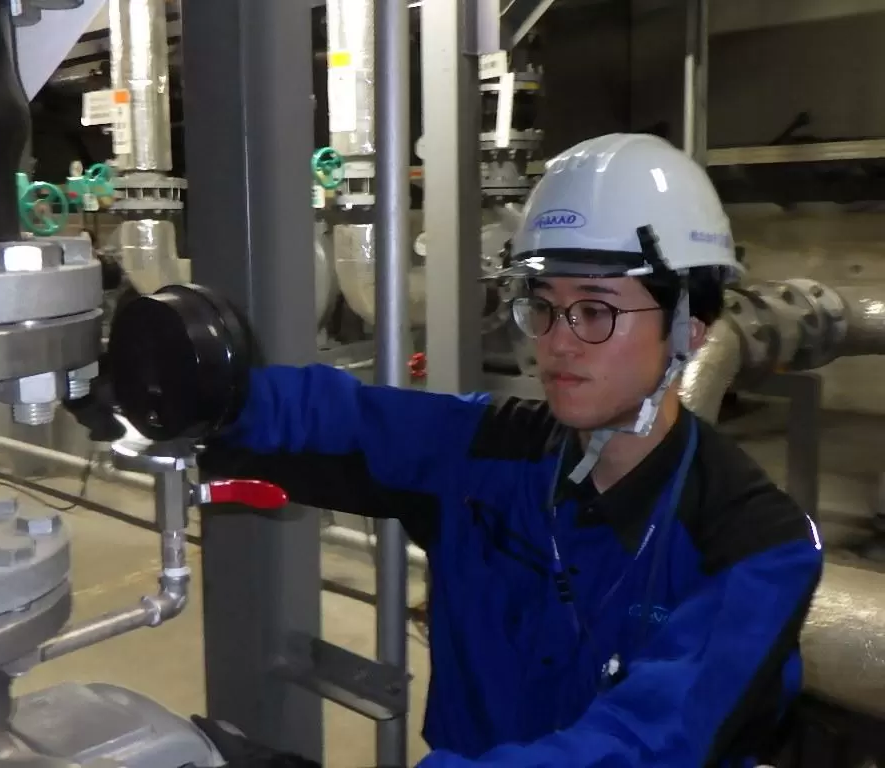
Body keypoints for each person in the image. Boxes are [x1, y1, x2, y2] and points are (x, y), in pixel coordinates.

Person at [93, 133, 825, 767]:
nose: (558, 341)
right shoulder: (492, 452)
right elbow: (340, 419)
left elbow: (643, 744)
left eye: (596, 310)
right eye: (543, 305)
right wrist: (176, 393)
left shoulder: (753, 545)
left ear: (688, 330)